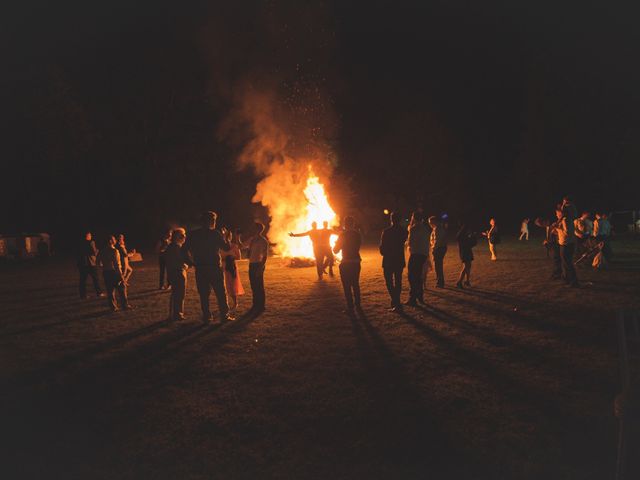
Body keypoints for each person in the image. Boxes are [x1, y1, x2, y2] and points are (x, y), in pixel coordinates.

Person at [184, 211, 233, 323]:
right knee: (220, 292)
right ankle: (224, 316)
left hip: (201, 268)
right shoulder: (215, 234)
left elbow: (184, 250)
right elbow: (226, 248)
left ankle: (207, 316)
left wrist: (190, 262)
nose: (215, 222)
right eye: (214, 220)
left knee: (204, 294)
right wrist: (227, 238)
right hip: (214, 267)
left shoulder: (193, 234)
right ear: (211, 221)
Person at [379, 212, 407, 312]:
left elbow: (382, 248)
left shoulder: (386, 232)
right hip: (399, 259)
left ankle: (395, 300)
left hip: (388, 260)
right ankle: (396, 300)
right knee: (398, 280)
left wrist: (384, 251)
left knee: (389, 281)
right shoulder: (403, 231)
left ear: (391, 219)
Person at [333, 216, 362, 315]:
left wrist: (337, 243)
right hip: (356, 262)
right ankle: (358, 305)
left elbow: (335, 250)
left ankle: (350, 307)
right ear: (353, 223)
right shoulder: (357, 234)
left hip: (346, 263)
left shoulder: (342, 235)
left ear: (345, 224)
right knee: (355, 284)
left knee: (347, 286)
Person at [98, 235, 131, 311]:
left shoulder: (102, 251)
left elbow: (98, 262)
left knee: (110, 291)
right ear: (110, 241)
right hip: (114, 272)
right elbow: (116, 265)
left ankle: (113, 307)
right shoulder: (114, 251)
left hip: (106, 272)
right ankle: (125, 305)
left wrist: (104, 266)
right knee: (122, 289)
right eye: (113, 239)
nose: (115, 240)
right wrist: (121, 276)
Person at [165, 228, 189, 320]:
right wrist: (186, 266)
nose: (184, 237)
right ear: (177, 237)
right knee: (179, 294)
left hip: (173, 272)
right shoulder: (176, 247)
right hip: (178, 273)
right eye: (183, 235)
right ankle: (178, 314)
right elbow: (180, 261)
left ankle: (173, 313)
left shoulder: (171, 246)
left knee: (175, 294)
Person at [405, 211, 429, 306]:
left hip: (416, 254)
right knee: (418, 275)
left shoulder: (414, 229)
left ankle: (413, 298)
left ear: (414, 218)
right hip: (423, 254)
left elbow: (410, 243)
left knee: (411, 276)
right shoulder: (425, 228)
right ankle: (419, 296)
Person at [247, 222, 269, 313]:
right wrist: (237, 237)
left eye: (253, 228)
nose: (252, 229)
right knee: (253, 286)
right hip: (252, 264)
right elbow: (241, 246)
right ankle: (255, 304)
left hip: (258, 264)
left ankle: (261, 306)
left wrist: (261, 267)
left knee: (259, 286)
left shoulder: (263, 241)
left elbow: (265, 256)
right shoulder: (252, 240)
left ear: (258, 229)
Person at [557, 198, 579, 287]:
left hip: (567, 244)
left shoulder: (566, 220)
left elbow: (567, 232)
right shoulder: (565, 219)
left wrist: (558, 228)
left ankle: (573, 282)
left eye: (557, 213)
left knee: (568, 264)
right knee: (565, 263)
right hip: (565, 244)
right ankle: (567, 279)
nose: (556, 215)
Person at [222, 229, 245, 314]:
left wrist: (230, 258)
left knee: (232, 285)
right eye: (223, 237)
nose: (225, 238)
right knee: (223, 286)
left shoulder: (234, 246)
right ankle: (224, 304)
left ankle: (235, 302)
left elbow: (239, 257)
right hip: (222, 267)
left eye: (226, 237)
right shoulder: (220, 247)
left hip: (231, 267)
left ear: (229, 237)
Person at [78, 231, 104, 299]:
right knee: (96, 279)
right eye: (90, 235)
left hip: (83, 264)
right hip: (91, 263)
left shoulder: (80, 243)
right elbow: (94, 252)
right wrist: (97, 250)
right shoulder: (91, 242)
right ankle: (99, 292)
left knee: (83, 280)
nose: (91, 236)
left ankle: (83, 295)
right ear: (88, 236)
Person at [455, 223, 476, 288]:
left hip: (465, 252)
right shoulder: (464, 237)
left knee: (468, 266)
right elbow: (471, 244)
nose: (469, 231)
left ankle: (467, 281)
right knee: (466, 267)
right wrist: (473, 237)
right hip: (465, 253)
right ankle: (459, 282)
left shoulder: (462, 236)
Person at [428, 215, 447, 288]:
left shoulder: (438, 229)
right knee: (438, 264)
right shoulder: (436, 228)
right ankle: (440, 280)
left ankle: (440, 281)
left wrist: (434, 249)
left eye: (430, 222)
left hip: (439, 248)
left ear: (434, 222)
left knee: (438, 265)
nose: (430, 224)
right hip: (439, 248)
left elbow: (437, 241)